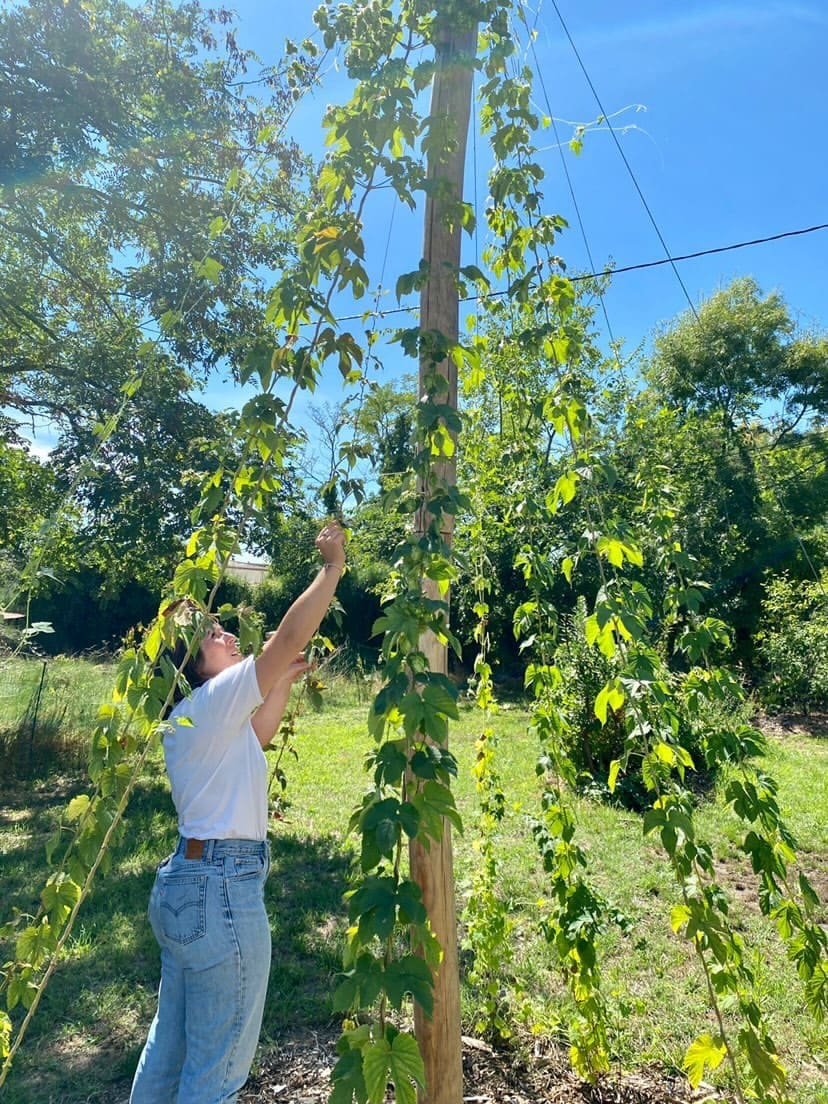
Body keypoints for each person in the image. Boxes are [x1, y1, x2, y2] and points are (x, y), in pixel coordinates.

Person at [130, 522, 347, 1104]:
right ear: (193, 667)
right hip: (223, 890)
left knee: (168, 1052)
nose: (223, 633)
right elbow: (283, 639)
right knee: (216, 1074)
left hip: (184, 884)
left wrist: (278, 683)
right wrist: (331, 569)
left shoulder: (190, 719)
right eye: (209, 636)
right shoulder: (214, 697)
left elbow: (258, 736)